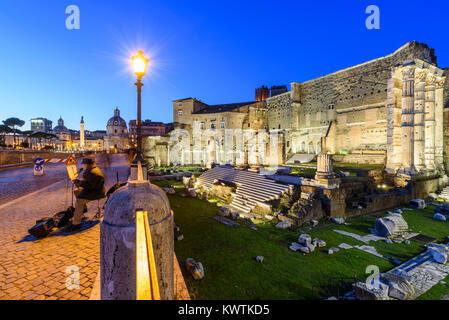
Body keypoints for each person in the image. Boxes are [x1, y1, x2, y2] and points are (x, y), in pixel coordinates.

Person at [66, 158, 105, 232]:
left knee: (79, 200)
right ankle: (82, 210)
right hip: (96, 190)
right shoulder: (92, 170)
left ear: (87, 165)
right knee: (76, 191)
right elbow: (89, 182)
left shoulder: (92, 172)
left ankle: (76, 223)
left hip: (96, 192)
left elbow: (90, 186)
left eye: (83, 164)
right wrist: (81, 182)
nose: (82, 166)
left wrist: (79, 183)